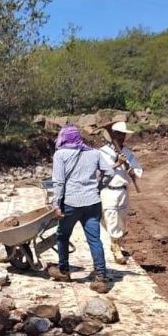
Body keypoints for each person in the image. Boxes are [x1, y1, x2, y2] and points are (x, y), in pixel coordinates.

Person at [48, 126, 115, 294]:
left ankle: (64, 271)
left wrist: (56, 205)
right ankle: (101, 276)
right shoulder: (94, 153)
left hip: (70, 203)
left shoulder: (61, 155)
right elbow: (110, 172)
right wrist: (98, 187)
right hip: (93, 202)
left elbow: (58, 182)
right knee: (94, 239)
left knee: (62, 236)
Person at [98, 121, 143, 265]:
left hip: (123, 191)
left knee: (122, 221)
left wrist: (132, 171)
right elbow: (99, 171)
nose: (121, 137)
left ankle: (117, 243)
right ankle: (116, 249)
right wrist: (117, 164)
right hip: (108, 190)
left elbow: (138, 170)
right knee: (111, 219)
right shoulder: (102, 152)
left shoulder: (128, 153)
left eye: (123, 135)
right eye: (118, 134)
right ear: (112, 136)